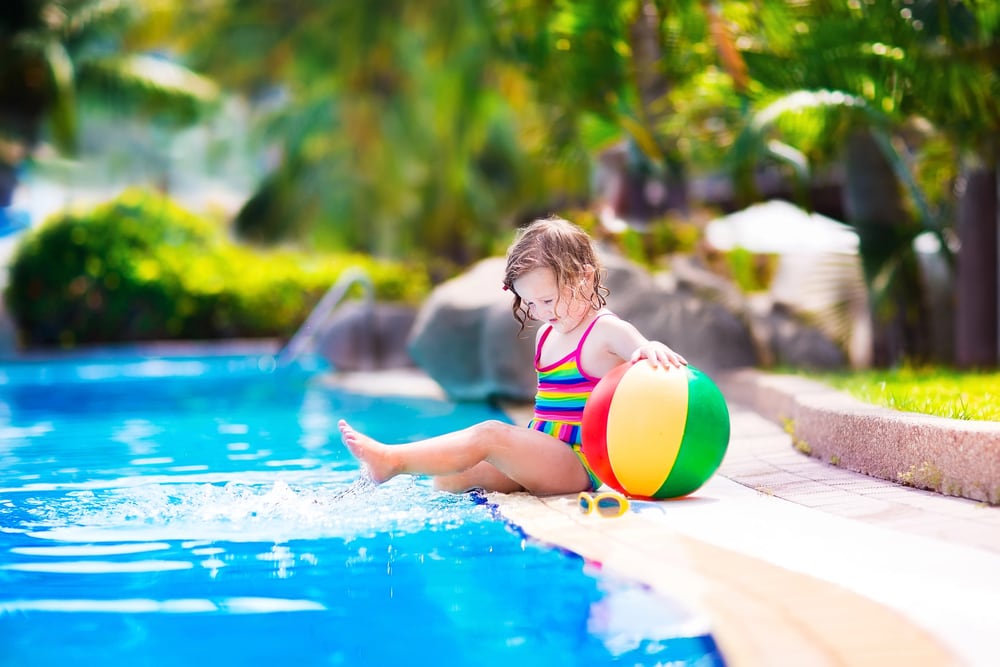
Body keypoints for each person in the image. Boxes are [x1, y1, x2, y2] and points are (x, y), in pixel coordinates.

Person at [338, 216, 687, 496]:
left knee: (490, 433)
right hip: (542, 452)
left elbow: (640, 349)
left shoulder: (605, 329)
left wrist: (649, 349)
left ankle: (391, 459)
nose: (539, 312)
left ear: (585, 278)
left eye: (547, 300)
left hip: (579, 463)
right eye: (530, 303)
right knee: (450, 479)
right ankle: (395, 470)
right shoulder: (548, 334)